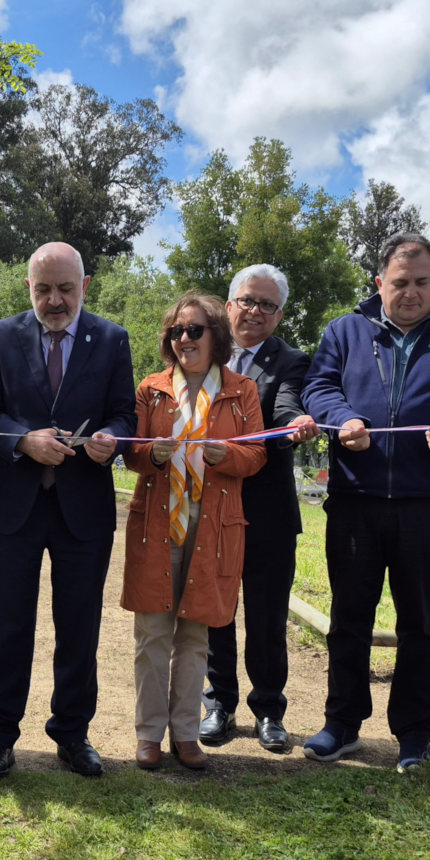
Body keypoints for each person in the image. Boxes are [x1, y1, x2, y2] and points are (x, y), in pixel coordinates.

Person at [301, 232, 430, 772]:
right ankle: (342, 723)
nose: (411, 292)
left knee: (419, 623)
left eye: (422, 282)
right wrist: (342, 418)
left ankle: (414, 735)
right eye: (400, 282)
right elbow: (318, 388)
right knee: (349, 617)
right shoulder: (345, 330)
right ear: (379, 282)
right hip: (355, 499)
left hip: (426, 504)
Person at [0, 241, 137, 780]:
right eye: (43, 290)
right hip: (14, 507)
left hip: (83, 507)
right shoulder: (3, 335)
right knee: (8, 623)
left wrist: (113, 438)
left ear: (84, 286)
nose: (55, 300)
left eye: (65, 288)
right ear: (28, 288)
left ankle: (72, 732)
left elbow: (125, 413)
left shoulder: (111, 338)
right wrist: (23, 440)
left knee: (80, 626)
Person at [123, 293, 267, 771]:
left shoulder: (242, 390)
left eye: (194, 330)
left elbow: (257, 455)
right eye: (176, 331)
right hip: (158, 523)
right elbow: (132, 453)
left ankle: (186, 733)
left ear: (216, 336)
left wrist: (229, 455)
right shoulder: (151, 388)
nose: (183, 338)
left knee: (195, 634)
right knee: (152, 634)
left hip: (213, 526)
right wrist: (153, 453)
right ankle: (149, 734)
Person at [200, 264, 320, 752]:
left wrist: (296, 423)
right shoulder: (202, 351)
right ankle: (219, 704)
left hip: (268, 512)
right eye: (247, 300)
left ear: (279, 315)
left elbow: (286, 406)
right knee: (216, 611)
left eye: (267, 305)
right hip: (211, 506)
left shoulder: (292, 361)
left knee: (267, 617)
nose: (255, 311)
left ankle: (269, 709)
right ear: (229, 305)